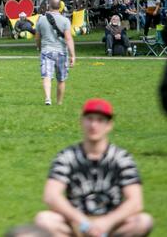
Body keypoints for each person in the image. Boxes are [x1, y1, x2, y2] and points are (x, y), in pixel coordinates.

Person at [34, 98, 153, 237]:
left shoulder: (122, 158)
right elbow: (51, 196)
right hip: (76, 224)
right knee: (44, 220)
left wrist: (106, 222)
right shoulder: (67, 157)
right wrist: (82, 221)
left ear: (109, 125)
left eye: (100, 120)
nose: (93, 125)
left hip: (111, 225)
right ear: (81, 122)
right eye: (89, 119)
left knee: (143, 221)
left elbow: (136, 202)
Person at [35, 0, 76, 106]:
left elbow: (37, 37)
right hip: (61, 52)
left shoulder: (41, 19)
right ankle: (59, 102)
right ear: (60, 7)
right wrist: (73, 55)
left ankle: (48, 98)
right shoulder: (65, 21)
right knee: (61, 79)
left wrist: (39, 48)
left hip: (46, 50)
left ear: (49, 6)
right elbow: (68, 38)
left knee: (46, 76)